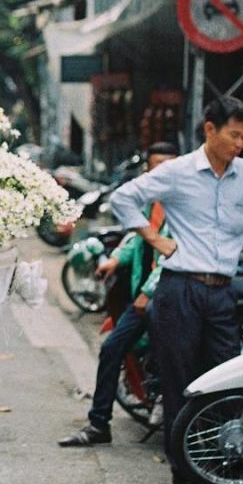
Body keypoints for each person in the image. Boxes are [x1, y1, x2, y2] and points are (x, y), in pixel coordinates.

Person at [109, 95, 243, 484]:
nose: (239, 144)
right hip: (179, 288)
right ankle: (186, 471)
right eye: (233, 135)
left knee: (228, 374)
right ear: (210, 130)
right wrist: (152, 237)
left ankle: (224, 458)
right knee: (179, 376)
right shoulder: (179, 171)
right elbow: (123, 198)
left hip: (221, 293)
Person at [58, 143, 178, 447]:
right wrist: (115, 260)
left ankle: (174, 419)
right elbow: (135, 238)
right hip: (145, 295)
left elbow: (176, 253)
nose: (163, 171)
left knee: (169, 356)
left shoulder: (183, 204)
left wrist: (149, 292)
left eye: (169, 165)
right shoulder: (148, 202)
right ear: (148, 170)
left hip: (171, 296)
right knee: (112, 348)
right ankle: (99, 424)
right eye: (157, 165)